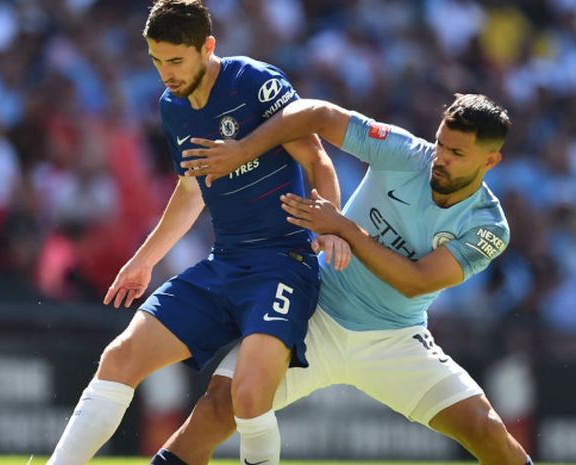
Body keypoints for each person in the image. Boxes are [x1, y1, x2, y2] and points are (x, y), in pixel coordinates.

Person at [151, 93, 534, 465]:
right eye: (440, 144)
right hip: (313, 312)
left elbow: (417, 281)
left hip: (393, 339)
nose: (441, 158)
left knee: (487, 433)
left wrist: (343, 228)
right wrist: (245, 149)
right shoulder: (405, 153)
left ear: (491, 160)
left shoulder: (488, 226)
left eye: (457, 153)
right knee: (215, 409)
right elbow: (316, 113)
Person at [46, 1, 344, 464]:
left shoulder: (256, 83)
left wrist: (333, 226)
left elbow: (316, 159)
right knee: (119, 357)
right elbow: (192, 191)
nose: (166, 73)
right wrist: (144, 259)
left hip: (282, 265)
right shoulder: (173, 106)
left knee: (247, 399)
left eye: (176, 60)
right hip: (223, 264)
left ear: (208, 47)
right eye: (156, 60)